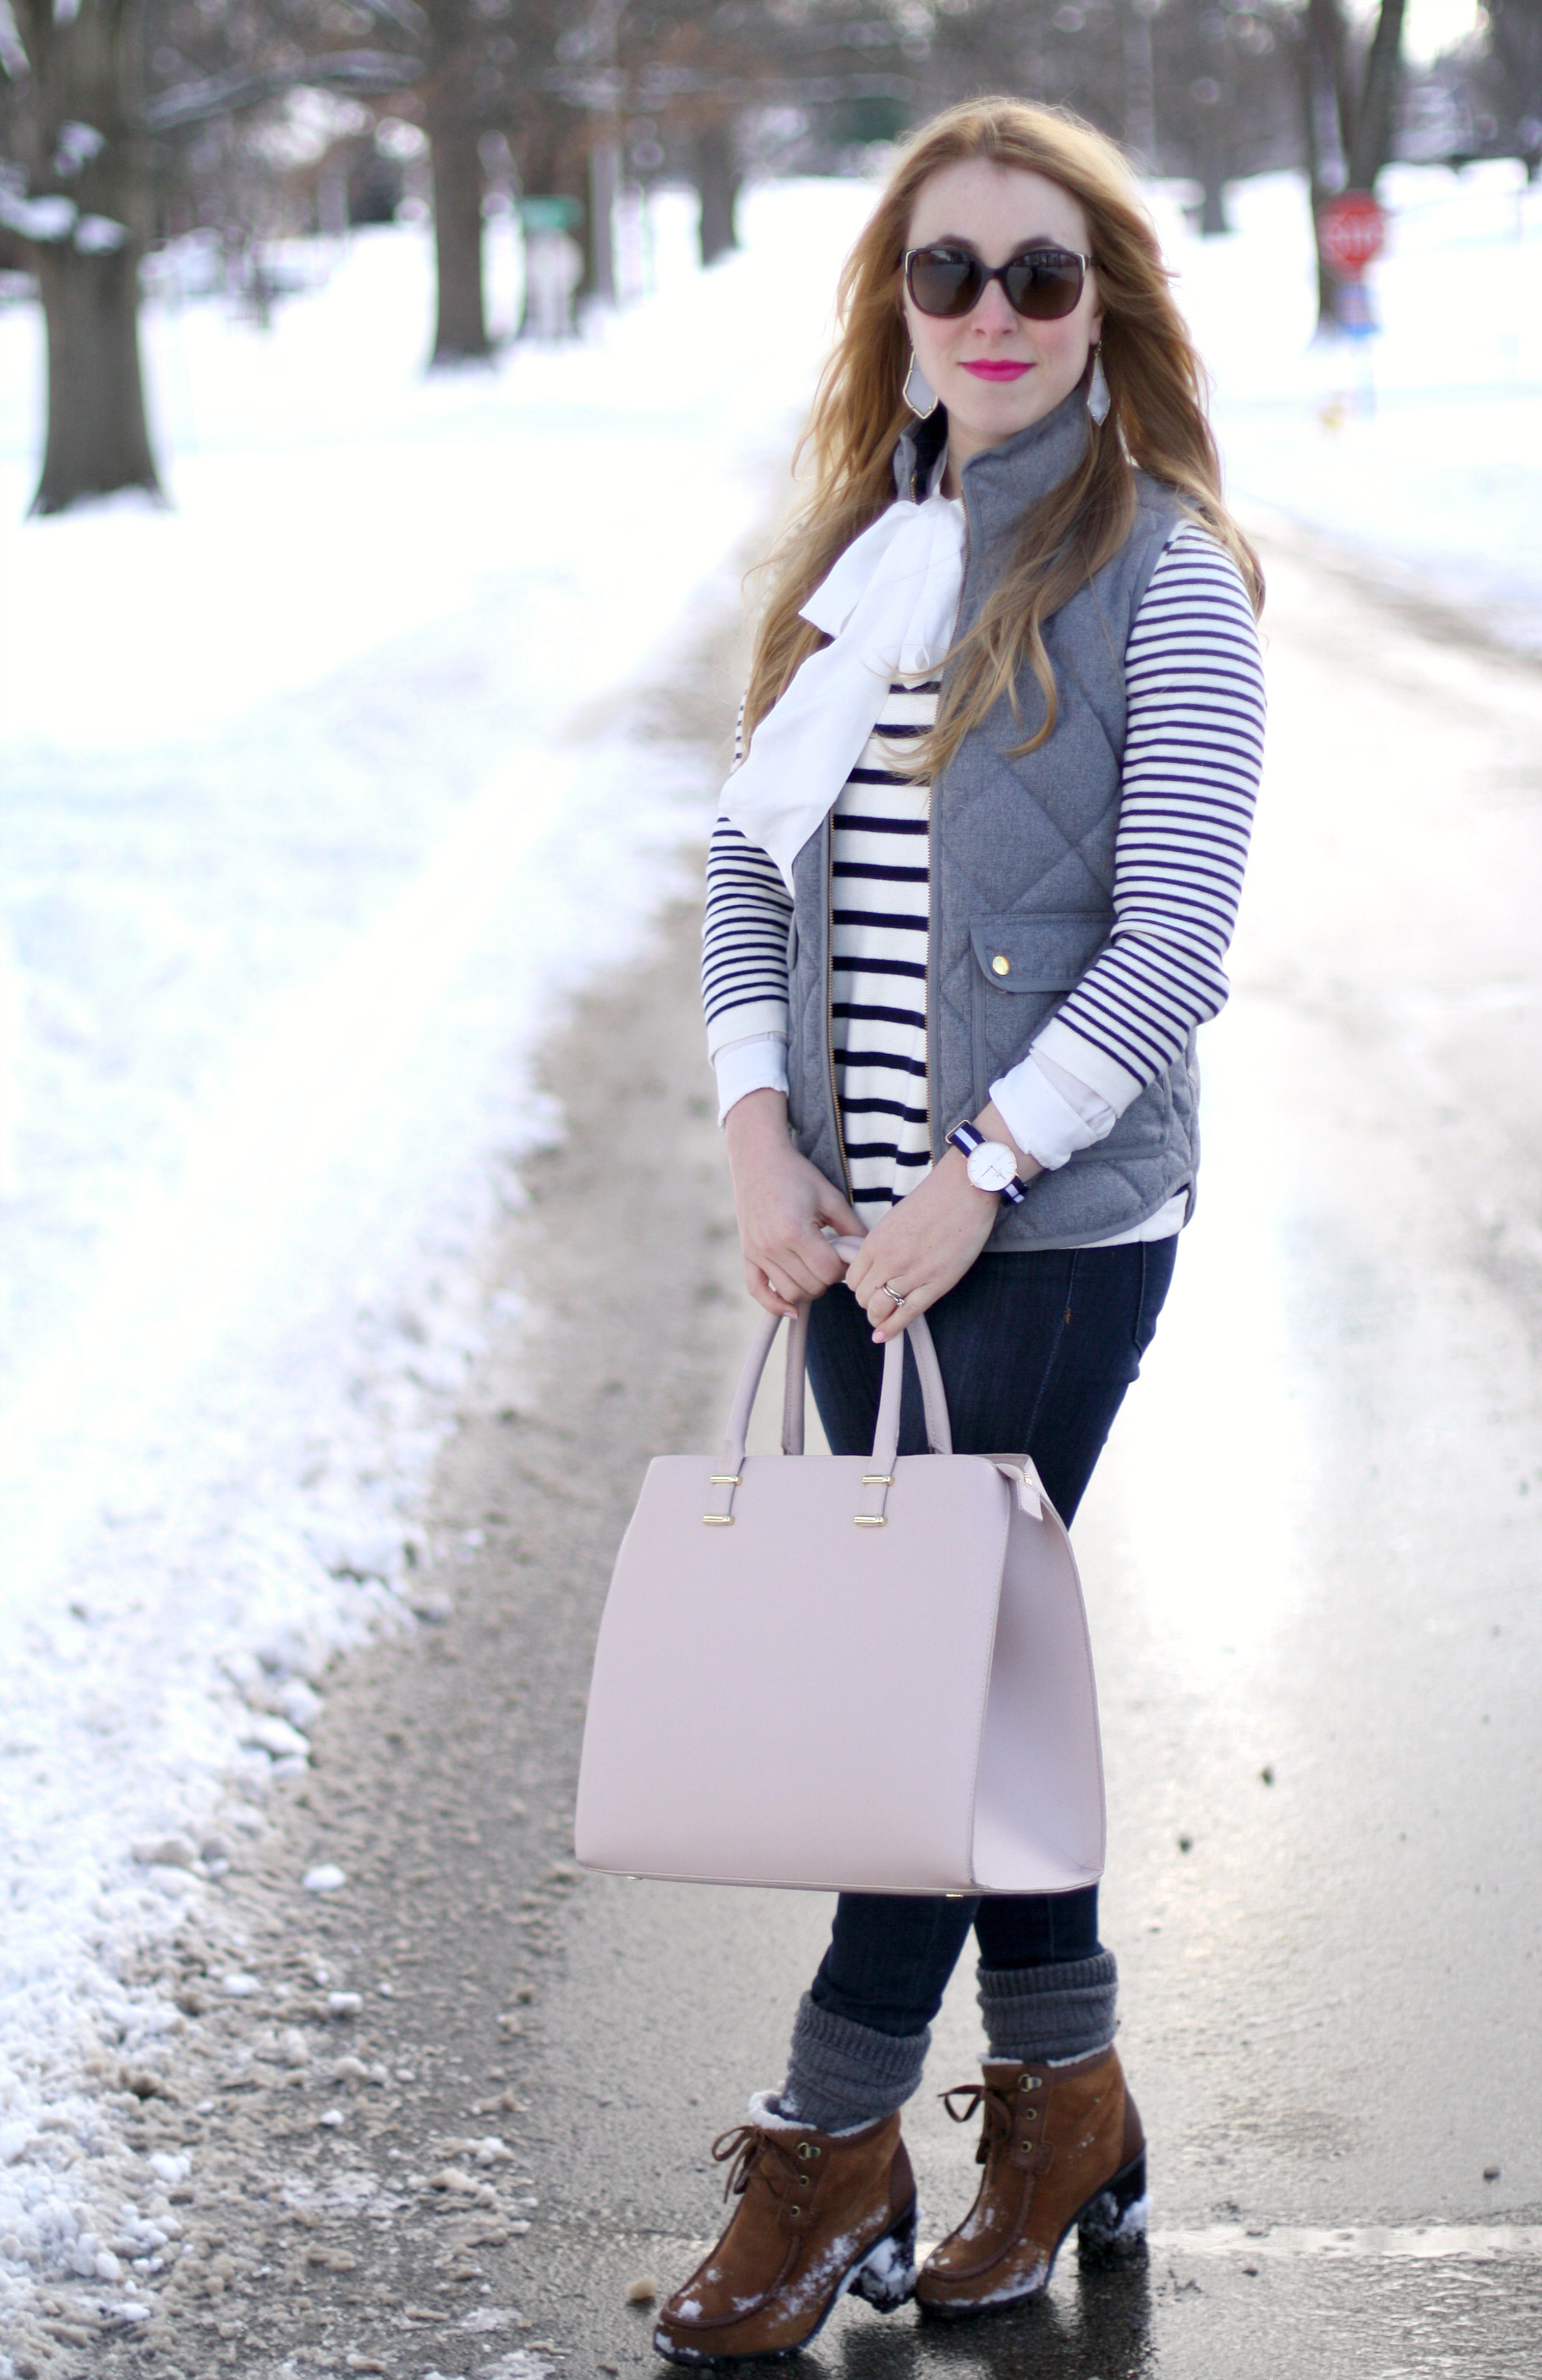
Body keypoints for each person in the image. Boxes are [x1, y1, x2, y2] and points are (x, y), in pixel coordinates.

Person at [654, 96, 1266, 2366]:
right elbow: (744, 870)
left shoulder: (1163, 574)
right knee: (974, 1675)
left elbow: (1177, 935)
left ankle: (828, 2144)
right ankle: (1070, 2107)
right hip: (841, 1241)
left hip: (1052, 1222)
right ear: (893, 318)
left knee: (914, 1684)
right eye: (948, 275)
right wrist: (756, 1138)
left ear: (1102, 302)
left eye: (1038, 274)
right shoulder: (858, 562)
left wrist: (978, 1173)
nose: (991, 314)